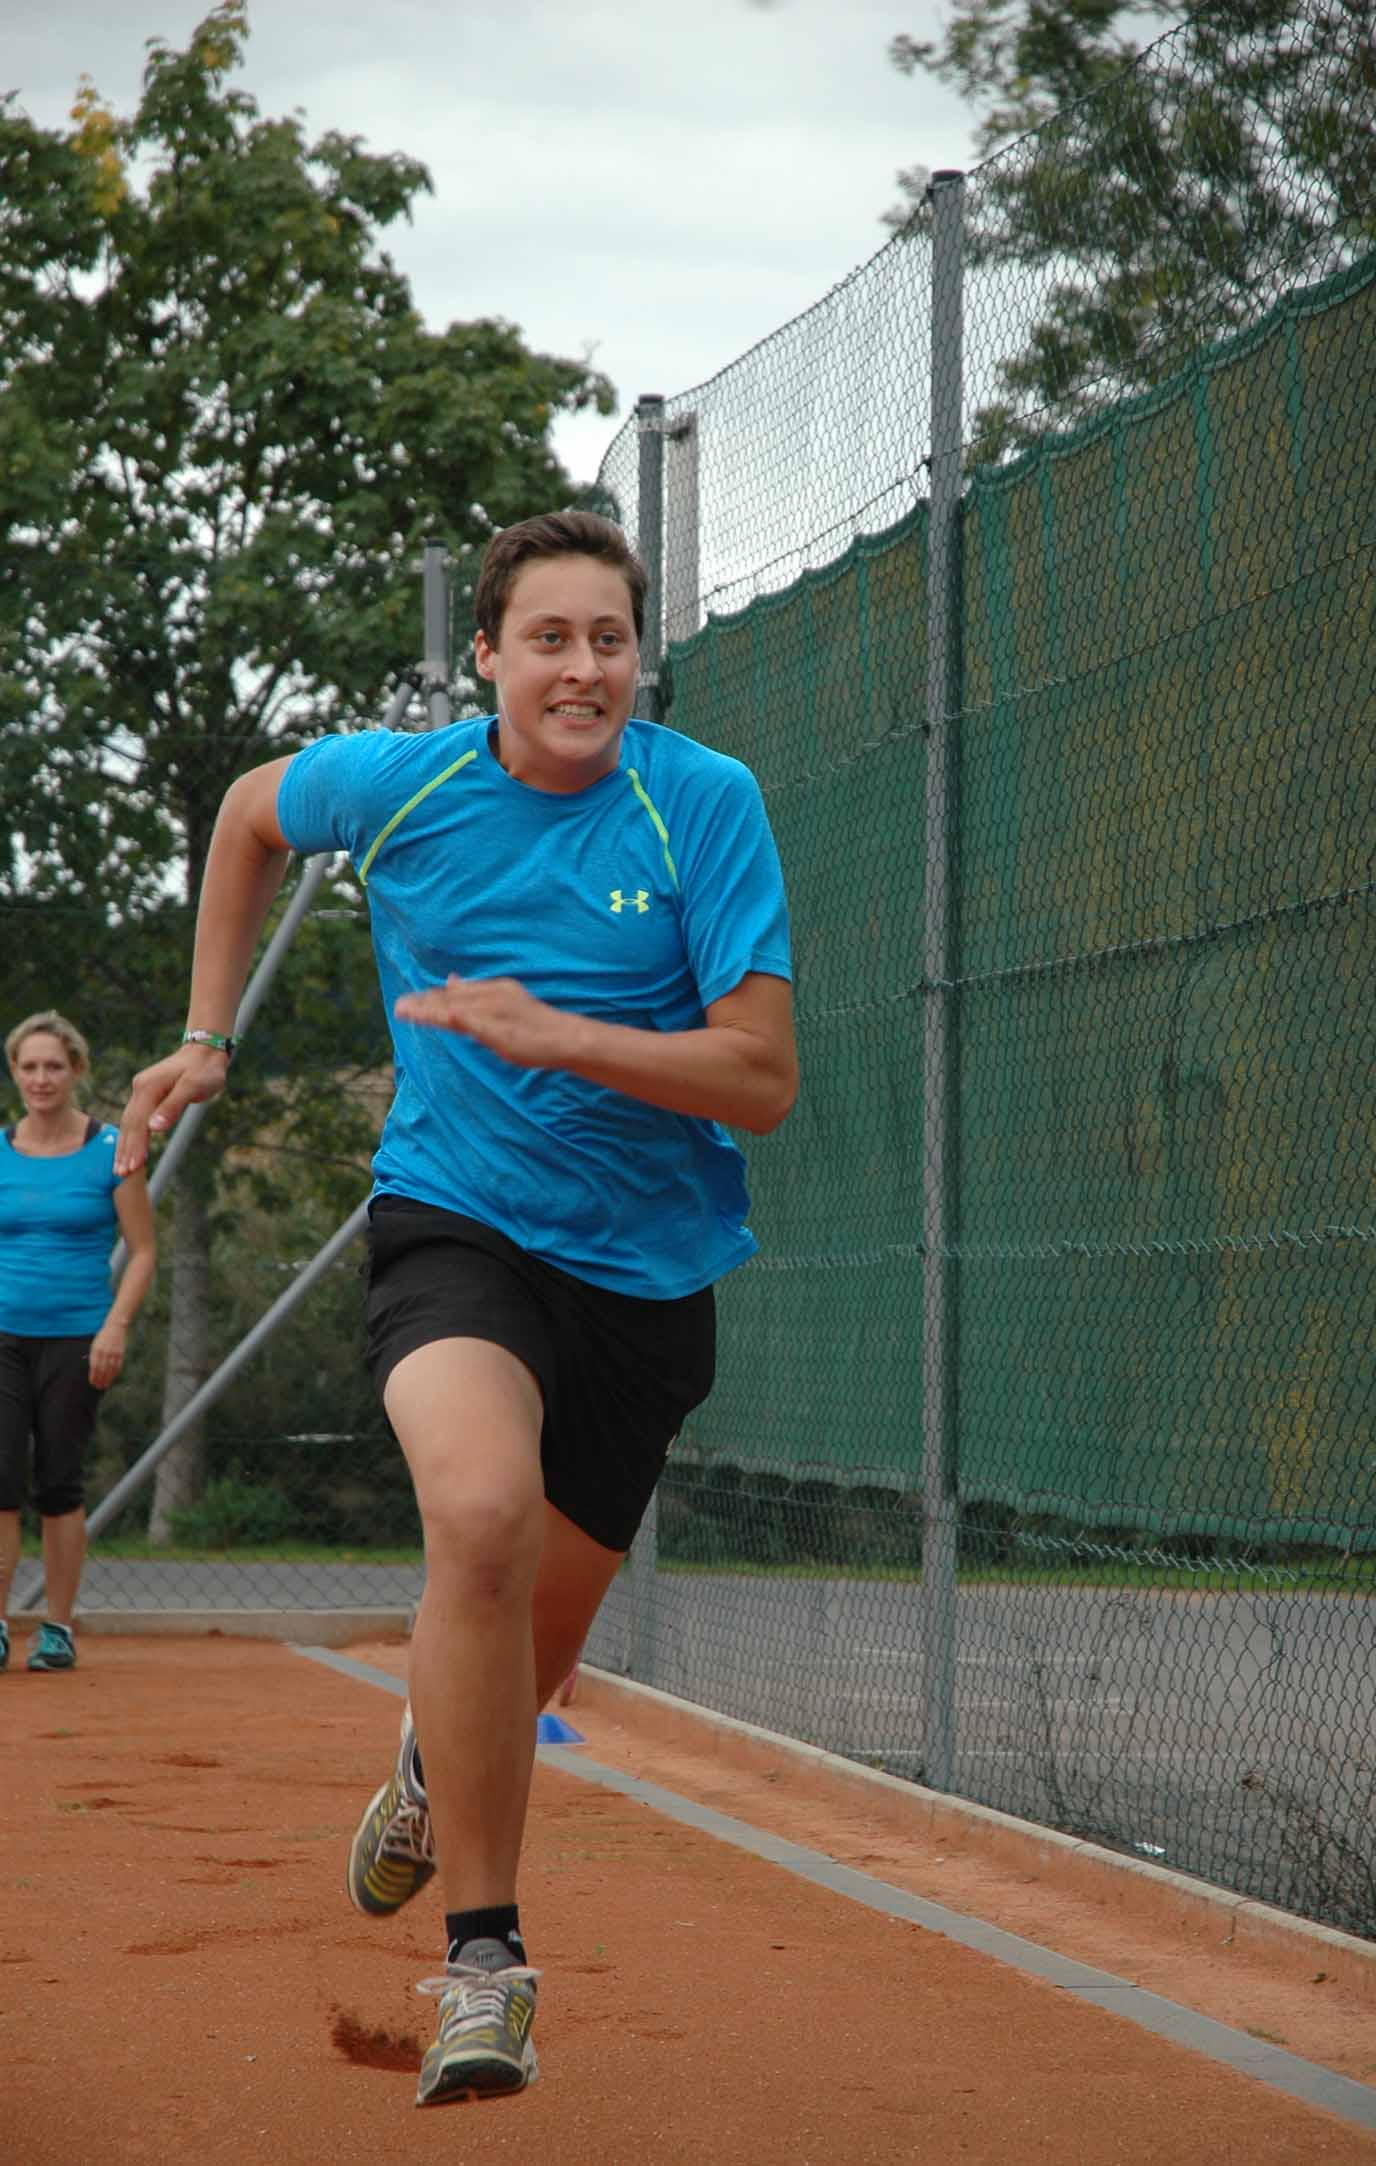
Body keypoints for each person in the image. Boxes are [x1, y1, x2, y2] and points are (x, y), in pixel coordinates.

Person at [116, 509, 796, 2106]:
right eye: (548, 638)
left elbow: (760, 1077)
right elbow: (248, 811)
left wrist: (563, 1035)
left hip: (646, 1273)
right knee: (477, 1516)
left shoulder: (703, 802)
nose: (582, 668)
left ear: (640, 660)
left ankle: (432, 1764)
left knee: (518, 1669)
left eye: (609, 640)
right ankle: (486, 1969)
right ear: (487, 654)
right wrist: (209, 1033)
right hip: (455, 1222)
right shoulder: (403, 782)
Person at [0, 1010, 157, 1674]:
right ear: (14, 1073)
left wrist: (114, 1327)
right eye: (29, 1067)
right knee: (1, 1479)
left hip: (79, 1339)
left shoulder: (112, 1149)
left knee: (59, 1482)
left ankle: (57, 1628)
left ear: (76, 1071)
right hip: (3, 1336)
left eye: (53, 1067)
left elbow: (144, 1251)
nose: (41, 1079)